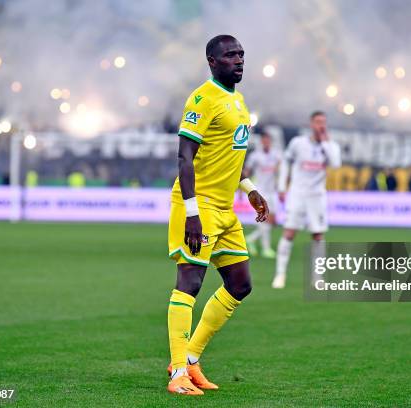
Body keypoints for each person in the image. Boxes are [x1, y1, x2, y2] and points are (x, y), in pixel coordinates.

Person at [165, 34, 269, 396]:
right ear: (212, 61)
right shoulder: (202, 99)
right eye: (230, 55)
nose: (238, 60)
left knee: (240, 284)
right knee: (190, 283)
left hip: (225, 209)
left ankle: (191, 359)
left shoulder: (238, 101)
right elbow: (184, 157)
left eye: (241, 54)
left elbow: (232, 157)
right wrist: (192, 213)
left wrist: (251, 188)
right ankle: (177, 371)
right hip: (198, 206)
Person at [273, 111, 341, 289]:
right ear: (311, 124)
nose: (321, 125)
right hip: (297, 194)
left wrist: (325, 143)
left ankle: (317, 277)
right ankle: (280, 275)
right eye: (318, 122)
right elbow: (286, 162)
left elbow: (335, 164)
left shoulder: (331, 146)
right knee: (289, 233)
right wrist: (282, 186)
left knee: (318, 236)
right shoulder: (298, 143)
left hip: (317, 197)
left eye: (324, 122)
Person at [244, 132, 281, 258]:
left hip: (272, 192)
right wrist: (241, 189)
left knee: (273, 222)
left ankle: (251, 239)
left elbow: (282, 168)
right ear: (261, 142)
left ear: (270, 141)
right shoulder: (255, 156)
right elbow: (246, 172)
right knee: (265, 220)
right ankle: (266, 249)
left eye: (268, 140)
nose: (266, 142)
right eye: (264, 140)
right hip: (259, 192)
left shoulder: (276, 155)